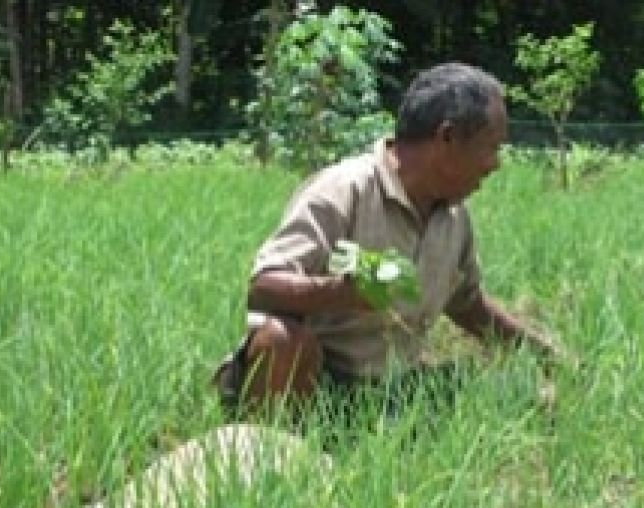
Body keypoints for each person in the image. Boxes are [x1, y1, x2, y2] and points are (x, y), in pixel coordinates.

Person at [213, 62, 559, 413]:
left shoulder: (454, 217)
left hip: (393, 389)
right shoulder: (343, 190)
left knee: (517, 395)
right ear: (447, 138)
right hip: (319, 383)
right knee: (280, 341)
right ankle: (276, 449)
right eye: (490, 147)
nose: (494, 165)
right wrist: (345, 292)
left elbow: (468, 306)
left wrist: (542, 352)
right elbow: (264, 287)